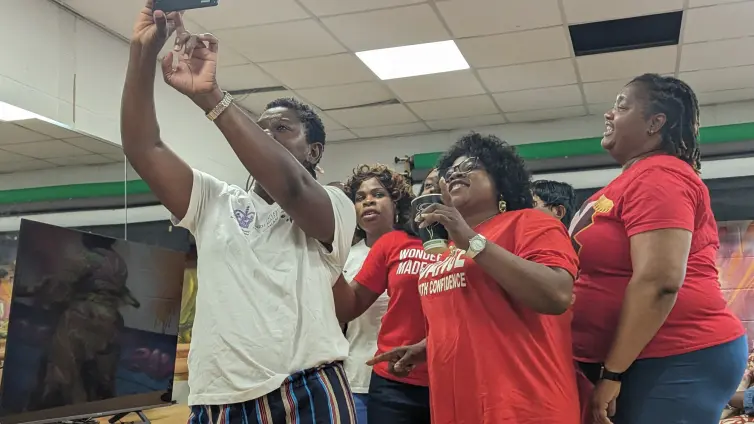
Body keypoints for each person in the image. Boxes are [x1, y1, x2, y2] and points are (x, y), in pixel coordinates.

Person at [121, 2, 357, 423]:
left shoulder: (335, 204)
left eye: (281, 129)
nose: (266, 135)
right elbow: (144, 148)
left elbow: (293, 188)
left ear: (314, 151)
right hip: (217, 400)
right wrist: (142, 53)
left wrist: (212, 96)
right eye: (260, 127)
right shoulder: (215, 200)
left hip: (304, 389)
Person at [569, 73, 747, 424]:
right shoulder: (631, 180)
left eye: (621, 106)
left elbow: (659, 280)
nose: (609, 114)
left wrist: (612, 373)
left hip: (676, 354)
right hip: (642, 359)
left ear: (655, 123)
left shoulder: (660, 176)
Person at [371, 132, 581, 423]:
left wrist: (471, 239)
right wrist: (427, 347)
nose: (456, 172)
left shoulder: (531, 223)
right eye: (450, 171)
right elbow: (478, 315)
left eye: (469, 166)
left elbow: (557, 295)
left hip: (523, 407)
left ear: (500, 179)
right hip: (458, 407)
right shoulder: (445, 250)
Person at [332, 169, 432, 424]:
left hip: (429, 372)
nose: (368, 201)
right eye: (360, 197)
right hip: (361, 374)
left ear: (397, 203)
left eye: (378, 194)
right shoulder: (345, 255)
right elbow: (341, 313)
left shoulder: (424, 246)